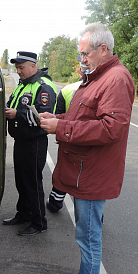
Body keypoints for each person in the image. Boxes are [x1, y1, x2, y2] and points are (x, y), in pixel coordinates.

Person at [40, 23, 135, 274]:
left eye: (85, 54)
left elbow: (110, 128)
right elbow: (81, 116)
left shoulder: (115, 78)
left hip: (93, 174)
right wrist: (57, 118)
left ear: (103, 49)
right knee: (86, 234)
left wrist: (62, 127)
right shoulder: (98, 77)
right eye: (80, 54)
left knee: (89, 237)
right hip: (87, 170)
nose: (82, 60)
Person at [4, 51, 57, 236]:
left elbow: (43, 118)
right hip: (21, 141)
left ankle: (39, 222)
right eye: (17, 68)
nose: (18, 71)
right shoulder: (23, 85)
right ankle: (24, 213)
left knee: (33, 183)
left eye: (21, 67)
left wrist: (16, 114)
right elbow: (13, 103)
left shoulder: (44, 87)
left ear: (33, 66)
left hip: (34, 143)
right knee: (21, 181)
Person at [46, 56, 85, 213]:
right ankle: (91, 214)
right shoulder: (98, 88)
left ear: (79, 71)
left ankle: (55, 202)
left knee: (64, 173)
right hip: (87, 141)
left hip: (68, 138)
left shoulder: (68, 89)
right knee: (83, 181)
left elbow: (59, 114)